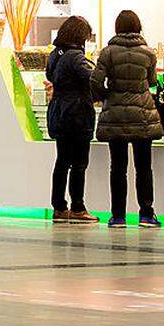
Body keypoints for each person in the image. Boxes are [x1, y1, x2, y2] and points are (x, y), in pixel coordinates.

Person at [90, 10, 163, 229]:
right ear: (138, 27)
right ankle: (146, 214)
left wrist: (106, 97)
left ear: (117, 28)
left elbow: (95, 81)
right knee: (144, 167)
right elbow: (151, 81)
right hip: (142, 115)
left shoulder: (107, 53)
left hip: (115, 115)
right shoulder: (149, 54)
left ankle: (118, 216)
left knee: (118, 167)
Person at [46, 16, 98, 224]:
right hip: (77, 114)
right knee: (79, 163)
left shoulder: (55, 54)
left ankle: (59, 206)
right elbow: (92, 79)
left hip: (59, 112)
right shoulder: (76, 56)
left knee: (62, 161)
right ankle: (78, 207)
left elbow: (51, 77)